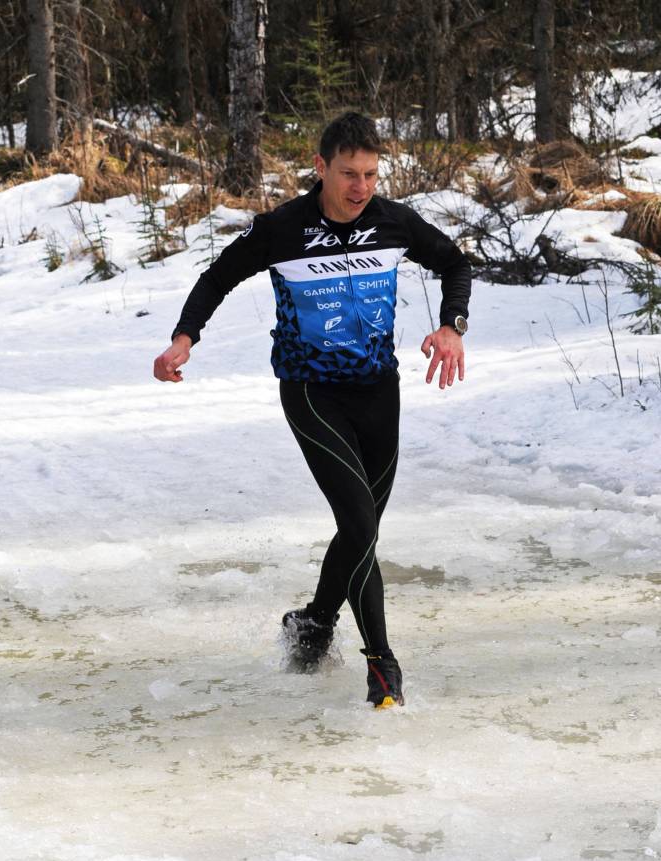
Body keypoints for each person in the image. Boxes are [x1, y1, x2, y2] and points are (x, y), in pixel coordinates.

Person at [154, 112, 471, 709]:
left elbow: (455, 264)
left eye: (372, 174)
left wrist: (452, 326)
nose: (361, 187)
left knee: (361, 529)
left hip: (380, 392)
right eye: (349, 174)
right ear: (321, 167)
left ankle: (314, 623)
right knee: (359, 525)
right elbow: (217, 278)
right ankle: (382, 664)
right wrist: (184, 337)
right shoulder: (284, 228)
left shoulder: (392, 222)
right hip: (311, 392)